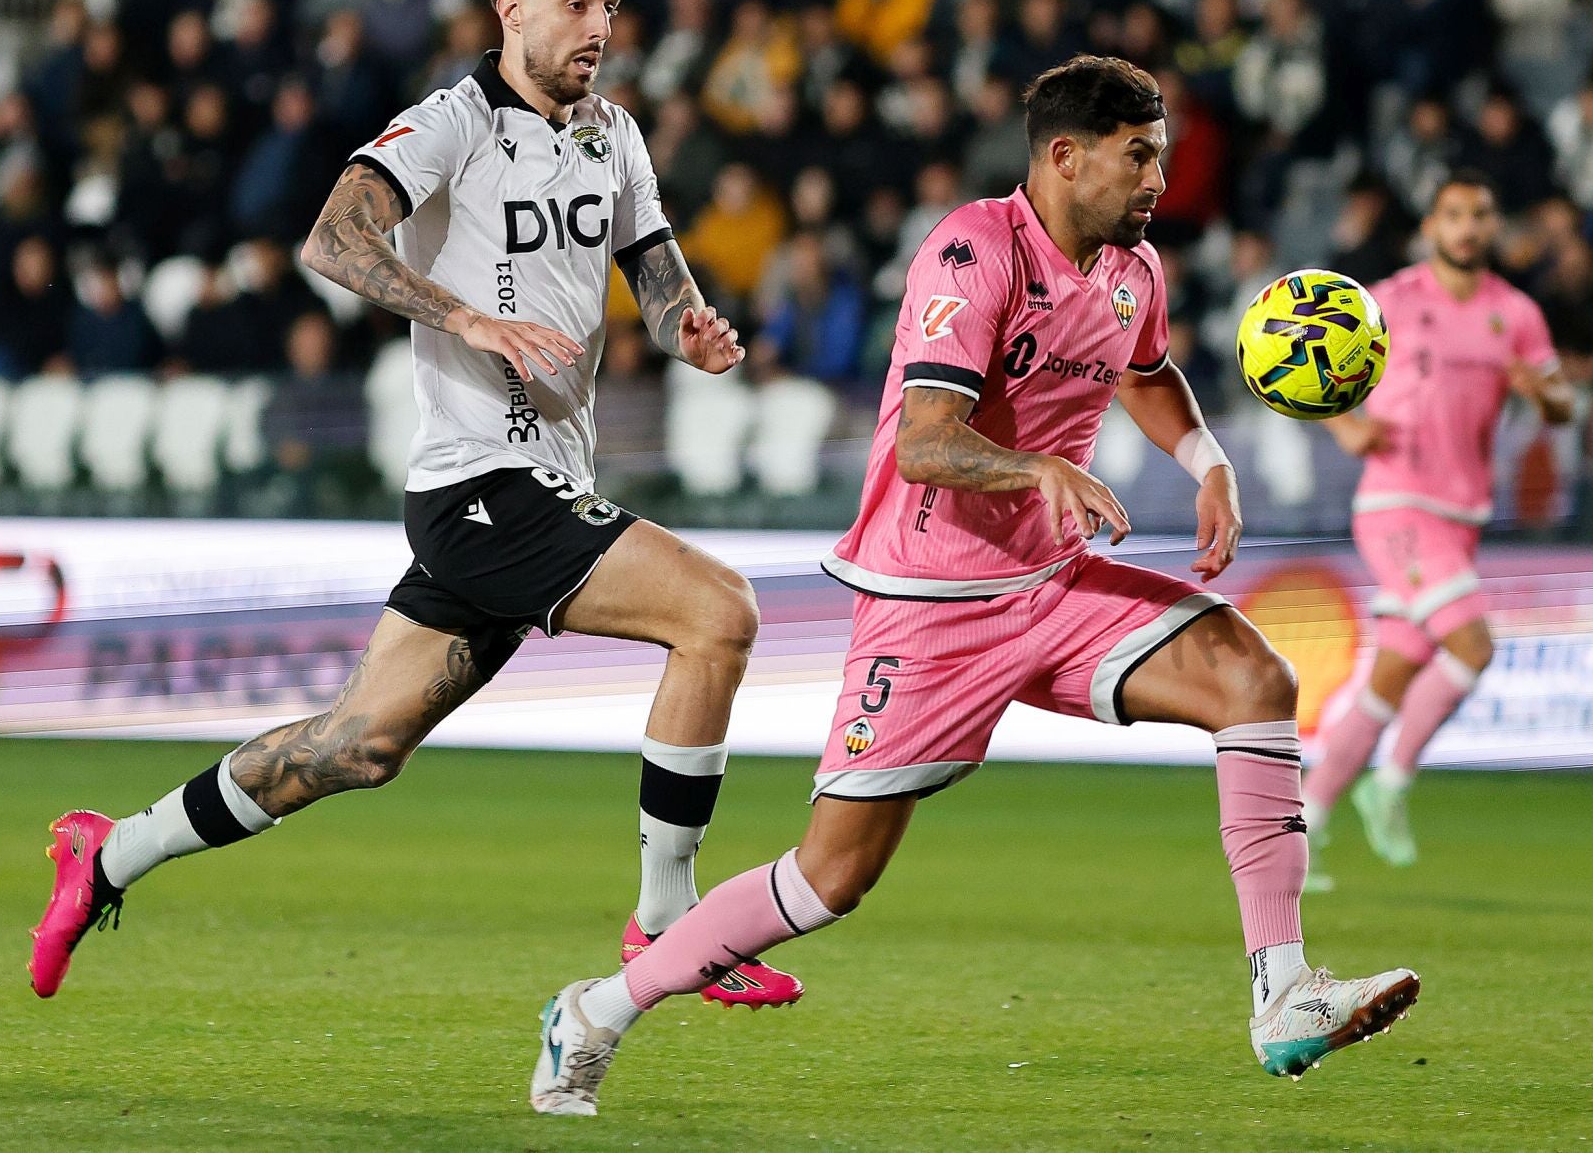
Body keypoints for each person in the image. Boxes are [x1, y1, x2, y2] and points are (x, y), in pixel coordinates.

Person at [528, 56, 1421, 1117]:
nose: (1156, 181)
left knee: (1252, 679)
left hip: (1056, 582)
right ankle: (597, 1010)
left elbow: (1142, 368)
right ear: (1063, 156)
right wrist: (1041, 468)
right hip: (930, 605)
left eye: (1163, 158)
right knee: (829, 879)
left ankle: (1284, 994)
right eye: (1138, 158)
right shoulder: (973, 250)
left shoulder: (1135, 269)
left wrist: (1208, 463)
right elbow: (925, 444)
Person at [29, 0, 801, 1014]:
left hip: (542, 483)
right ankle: (669, 924)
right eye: (579, 4)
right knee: (719, 612)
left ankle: (107, 853)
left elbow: (659, 273)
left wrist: (693, 329)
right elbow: (334, 237)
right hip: (478, 485)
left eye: (611, 7)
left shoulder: (614, 135)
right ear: (512, 9)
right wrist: (463, 317)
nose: (600, 27)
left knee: (354, 748)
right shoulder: (452, 125)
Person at [1302, 172, 1574, 882]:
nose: (1467, 228)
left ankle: (1305, 821)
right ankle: (1389, 782)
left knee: (1389, 679)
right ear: (1432, 226)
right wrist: (1346, 427)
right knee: (1473, 645)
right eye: (1453, 215)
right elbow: (1305, 362)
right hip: (1396, 502)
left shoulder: (1514, 314)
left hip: (1461, 516)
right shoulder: (1390, 300)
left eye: (1479, 215)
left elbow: (1564, 405)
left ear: (1493, 226)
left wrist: (1543, 394)